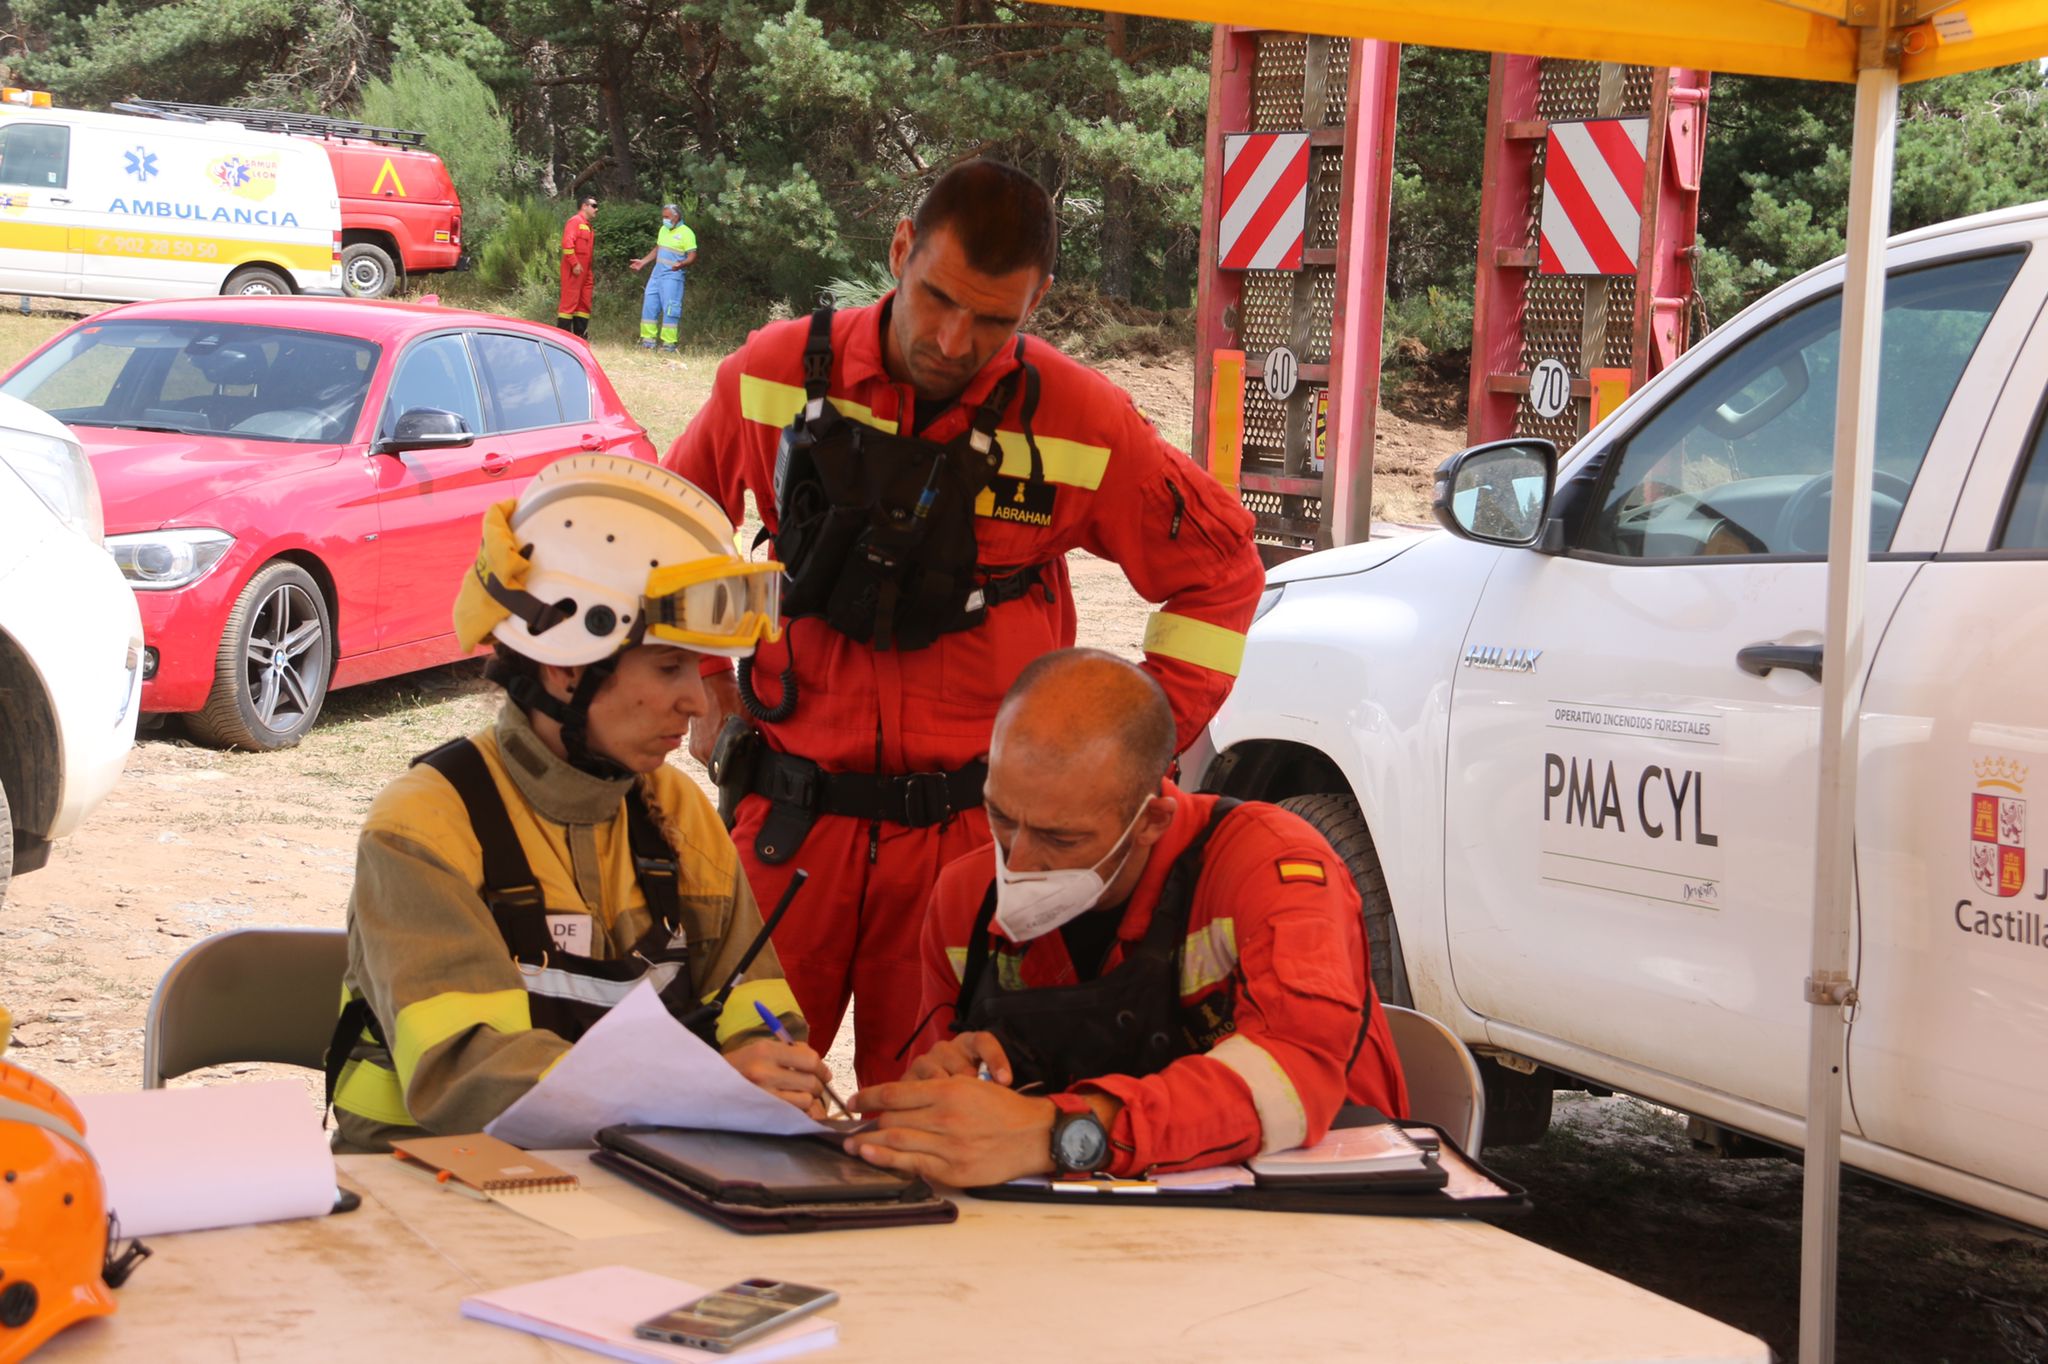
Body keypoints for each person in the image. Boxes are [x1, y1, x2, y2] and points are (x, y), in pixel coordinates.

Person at [664, 159, 1263, 1088]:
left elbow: (1220, 573)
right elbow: (671, 535)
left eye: (995, 320)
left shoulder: (1080, 418)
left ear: (1038, 303)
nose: (953, 339)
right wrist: (702, 684)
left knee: (940, 1136)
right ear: (900, 250)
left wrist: (1126, 750)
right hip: (786, 836)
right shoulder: (770, 375)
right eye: (936, 298)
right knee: (720, 1106)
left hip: (969, 860)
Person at [326, 454, 828, 1153]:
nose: (697, 699)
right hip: (425, 1192)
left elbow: (757, 1009)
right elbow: (466, 1074)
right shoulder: (423, 829)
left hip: (625, 1178)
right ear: (566, 663)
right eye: (670, 666)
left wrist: (774, 1069)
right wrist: (700, 1090)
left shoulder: (678, 814)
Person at [845, 650, 1408, 1186]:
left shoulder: (1270, 864)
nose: (1017, 863)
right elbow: (956, 1113)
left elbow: (1294, 1075)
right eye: (1000, 816)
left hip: (1325, 1222)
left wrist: (1064, 1130)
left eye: (1060, 838)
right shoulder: (965, 900)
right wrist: (948, 1088)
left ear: (1152, 821)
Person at [630, 203, 697, 354]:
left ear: (676, 216)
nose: (664, 220)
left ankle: (668, 345)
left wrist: (681, 264)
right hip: (657, 274)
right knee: (649, 306)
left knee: (670, 309)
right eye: (663, 217)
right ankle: (647, 343)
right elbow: (658, 248)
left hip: (672, 276)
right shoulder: (664, 230)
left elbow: (692, 256)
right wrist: (643, 262)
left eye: (666, 217)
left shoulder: (687, 233)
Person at [557, 194, 597, 336]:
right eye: (593, 206)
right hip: (574, 270)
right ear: (584, 206)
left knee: (584, 304)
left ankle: (580, 337)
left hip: (585, 272)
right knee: (569, 303)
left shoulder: (588, 226)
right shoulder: (575, 221)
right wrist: (574, 263)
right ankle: (563, 338)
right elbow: (567, 244)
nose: (596, 209)